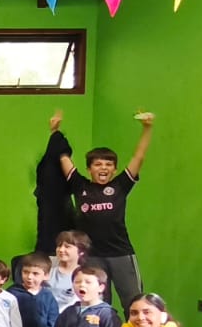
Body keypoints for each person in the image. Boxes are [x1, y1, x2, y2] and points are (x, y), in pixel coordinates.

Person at [49, 109, 155, 306]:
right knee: (96, 302)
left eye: (108, 164)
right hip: (92, 256)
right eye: (98, 164)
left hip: (121, 253)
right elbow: (63, 158)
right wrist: (55, 131)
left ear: (114, 169)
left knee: (133, 301)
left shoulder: (120, 185)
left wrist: (147, 128)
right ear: (89, 169)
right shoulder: (80, 185)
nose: (104, 168)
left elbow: (138, 157)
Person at [48, 230, 90, 312]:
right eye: (59, 246)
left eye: (67, 247)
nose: (61, 250)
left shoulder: (84, 276)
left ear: (81, 252)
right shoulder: (47, 263)